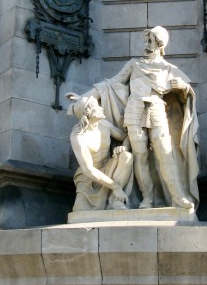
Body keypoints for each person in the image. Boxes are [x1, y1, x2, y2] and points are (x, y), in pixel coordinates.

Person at [78, 27, 199, 210]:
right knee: (140, 156)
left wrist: (184, 87)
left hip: (157, 109)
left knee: (165, 154)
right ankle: (147, 198)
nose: (147, 45)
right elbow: (112, 83)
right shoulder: (134, 64)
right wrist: (86, 97)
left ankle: (178, 197)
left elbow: (186, 98)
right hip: (134, 110)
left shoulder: (169, 69)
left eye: (151, 41)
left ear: (160, 44)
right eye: (146, 40)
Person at [67, 94, 133, 212]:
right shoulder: (78, 137)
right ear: (88, 113)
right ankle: (114, 193)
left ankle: (116, 201)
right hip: (89, 179)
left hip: (109, 169)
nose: (101, 108)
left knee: (126, 157)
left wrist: (124, 147)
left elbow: (126, 136)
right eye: (97, 107)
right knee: (80, 211)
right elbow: (89, 170)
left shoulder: (104, 125)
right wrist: (115, 187)